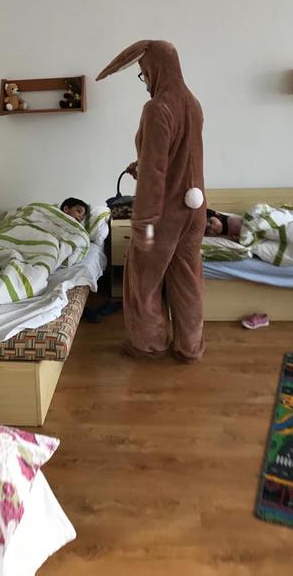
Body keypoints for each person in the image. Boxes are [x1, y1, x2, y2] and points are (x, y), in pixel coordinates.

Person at [96, 40, 206, 363]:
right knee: (188, 281)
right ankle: (189, 348)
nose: (145, 81)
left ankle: (149, 345)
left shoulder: (157, 108)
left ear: (157, 69)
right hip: (194, 211)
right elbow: (181, 158)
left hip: (164, 216)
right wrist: (141, 163)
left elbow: (156, 174)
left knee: (142, 282)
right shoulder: (193, 103)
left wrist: (143, 224)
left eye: (145, 73)